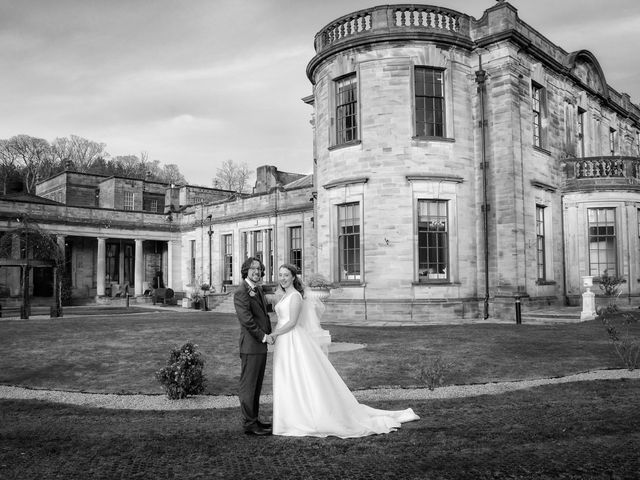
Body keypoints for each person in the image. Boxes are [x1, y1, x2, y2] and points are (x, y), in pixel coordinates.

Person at [270, 264, 419, 438]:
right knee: (289, 377)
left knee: (297, 376)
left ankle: (303, 417)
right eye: (280, 275)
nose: (282, 278)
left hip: (292, 339)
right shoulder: (283, 295)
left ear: (294, 277)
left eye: (286, 275)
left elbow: (292, 322)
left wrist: (274, 334)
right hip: (285, 341)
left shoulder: (295, 296)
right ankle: (289, 417)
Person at [234, 257, 274, 436]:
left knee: (256, 385)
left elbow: (263, 315)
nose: (256, 272)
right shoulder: (242, 291)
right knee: (249, 385)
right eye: (253, 269)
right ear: (246, 270)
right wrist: (264, 336)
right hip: (251, 346)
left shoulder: (256, 289)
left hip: (259, 347)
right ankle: (249, 423)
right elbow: (247, 321)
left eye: (259, 269)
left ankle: (254, 419)